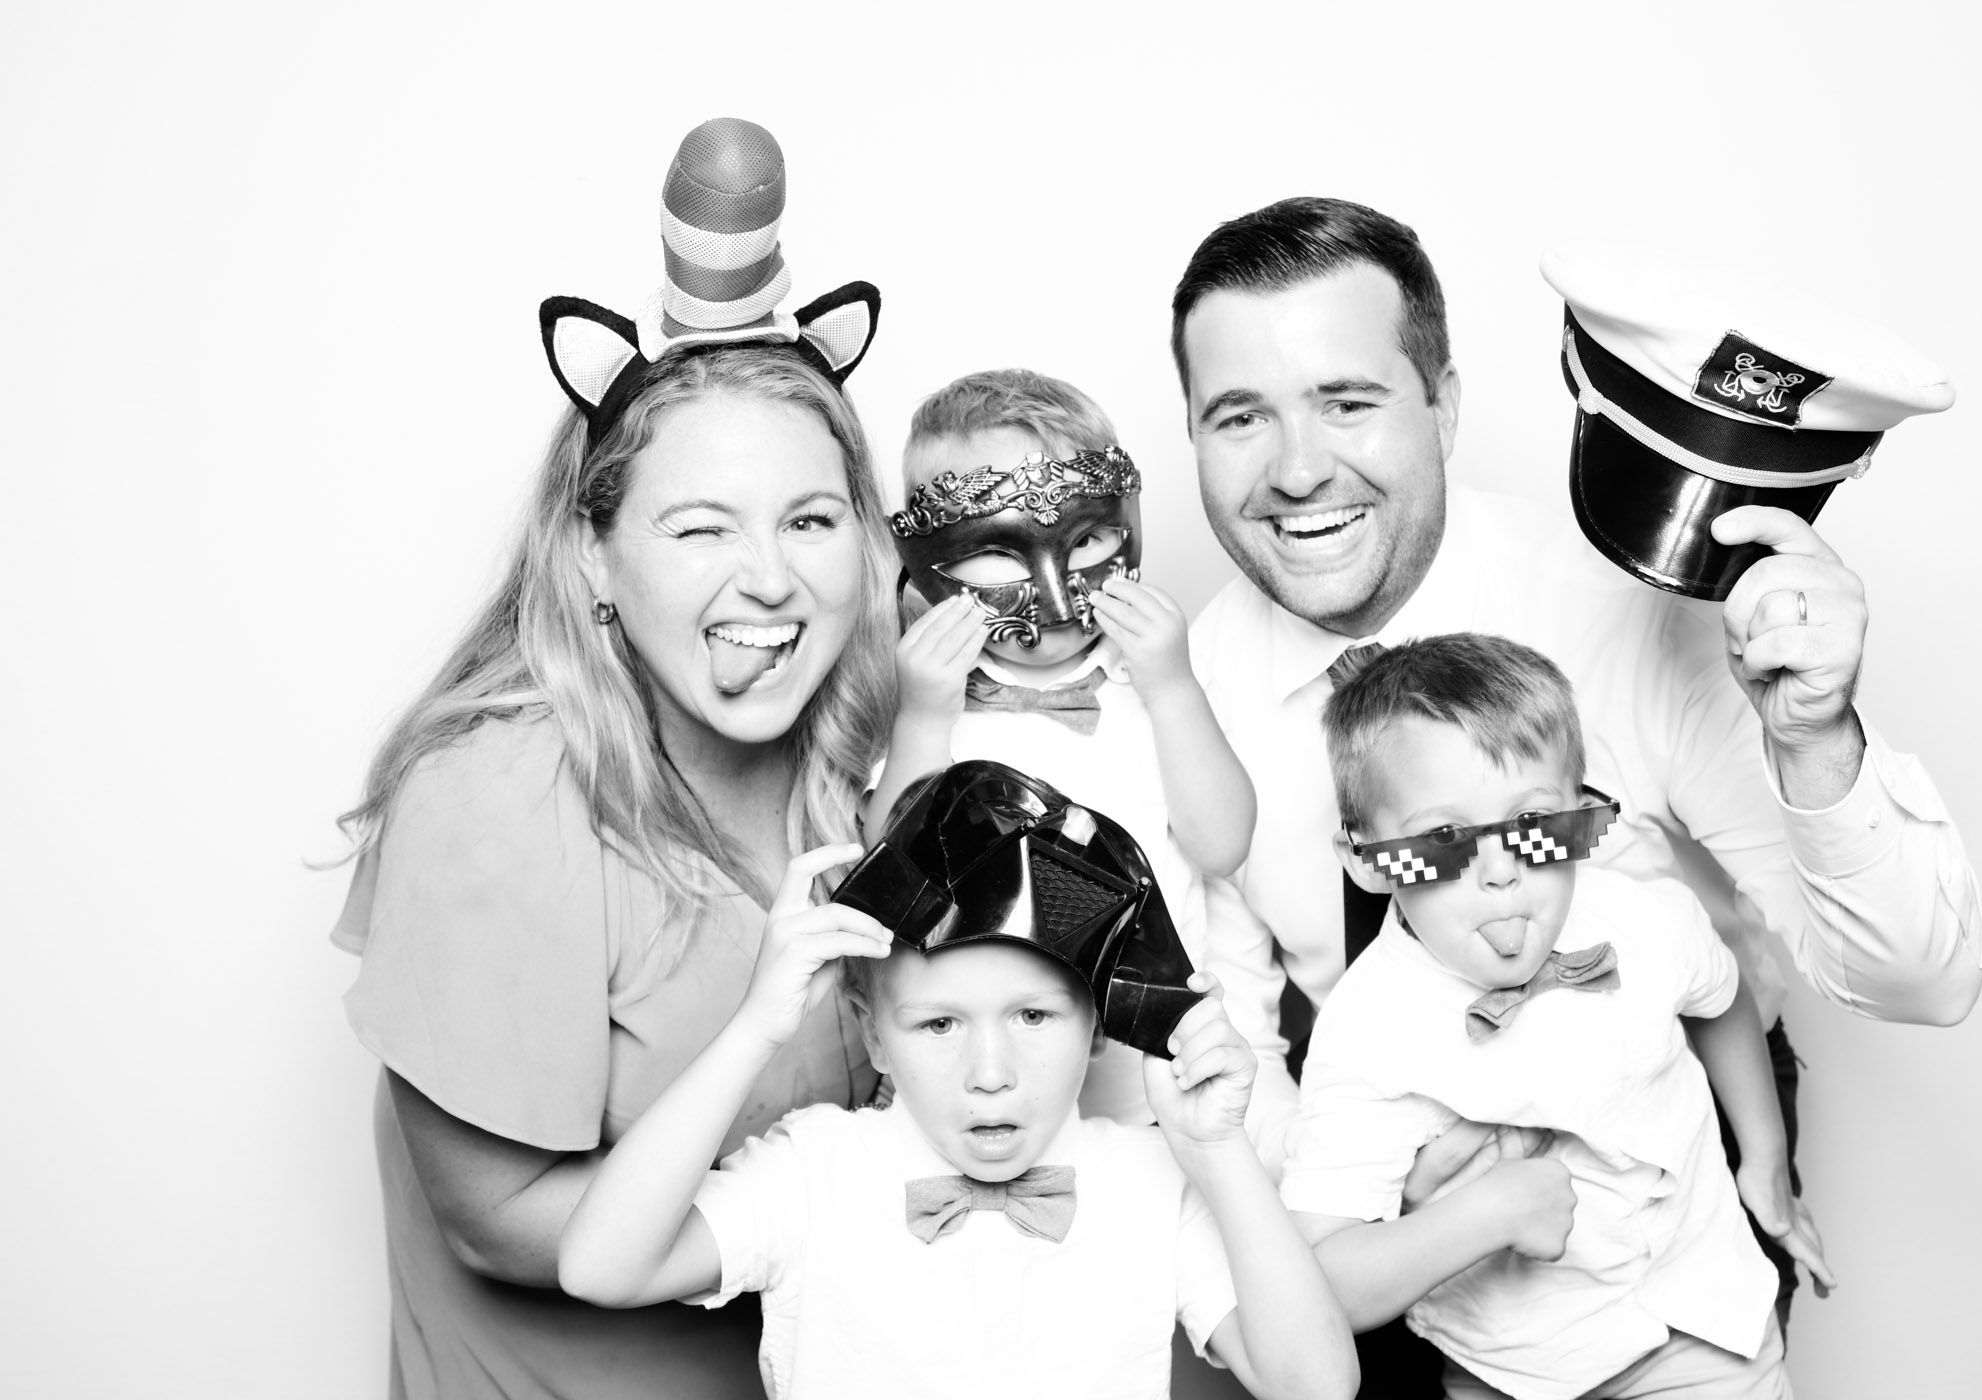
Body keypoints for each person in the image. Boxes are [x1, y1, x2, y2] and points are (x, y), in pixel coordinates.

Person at [1170, 197, 1982, 1329]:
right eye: (1239, 417)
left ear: (1444, 405)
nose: (1298, 470)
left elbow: (1923, 982)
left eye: (1347, 402)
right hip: (1382, 1195)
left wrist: (1814, 741)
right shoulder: (1182, 697)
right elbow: (1229, 1036)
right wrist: (1371, 1199)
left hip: (1671, 1169)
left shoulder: (1628, 611)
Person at [330, 118, 894, 1398]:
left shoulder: (873, 749)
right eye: (700, 528)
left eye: (811, 519)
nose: (771, 580)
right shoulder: (497, 799)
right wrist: (846, 1218)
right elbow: (494, 1217)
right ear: (593, 552)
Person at [556, 834, 1359, 1400]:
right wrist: (755, 1028)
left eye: (1033, 1017)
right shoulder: (812, 1170)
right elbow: (598, 1268)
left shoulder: (1152, 1179)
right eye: (939, 1024)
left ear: (1098, 1023)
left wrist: (1217, 1148)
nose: (991, 1074)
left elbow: (1318, 1386)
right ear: (874, 1034)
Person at [1286, 633, 1836, 1399]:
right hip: (1511, 1374)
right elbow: (1322, 1287)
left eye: (1533, 823)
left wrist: (1765, 1159)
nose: (1502, 872)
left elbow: (1722, 998)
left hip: (1706, 1327)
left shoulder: (1644, 918)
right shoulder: (1366, 1032)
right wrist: (1488, 1215)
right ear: (1368, 860)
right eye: (1443, 838)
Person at [865, 369, 1255, 1122]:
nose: (1051, 590)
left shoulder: (1159, 688)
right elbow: (892, 888)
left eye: (1087, 539)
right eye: (1000, 552)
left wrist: (1174, 689)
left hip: (1156, 1090)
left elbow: (1223, 845)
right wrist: (921, 722)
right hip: (980, 1095)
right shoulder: (926, 704)